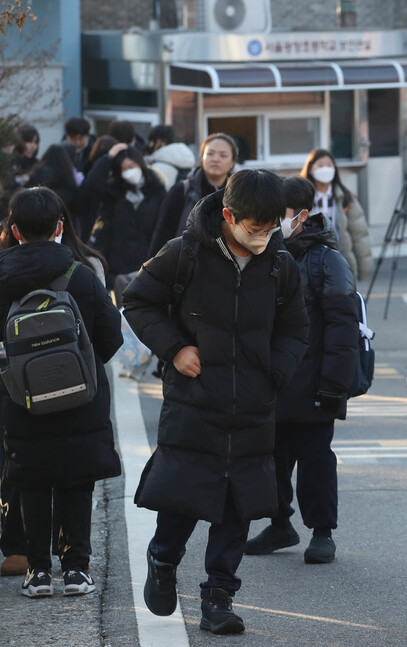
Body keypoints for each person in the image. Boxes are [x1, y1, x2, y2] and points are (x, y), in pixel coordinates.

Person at [122, 169, 309, 635]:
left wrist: (275, 375)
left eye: (271, 227)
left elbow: (296, 329)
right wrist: (174, 348)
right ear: (228, 215)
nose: (264, 236)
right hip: (194, 401)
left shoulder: (281, 263)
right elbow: (137, 300)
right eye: (255, 227)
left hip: (252, 405)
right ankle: (163, 561)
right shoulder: (183, 252)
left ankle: (218, 597)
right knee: (184, 494)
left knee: (238, 505)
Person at [0, 187, 123, 598]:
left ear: (14, 230)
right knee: (78, 478)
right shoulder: (80, 274)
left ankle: (37, 572)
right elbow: (111, 335)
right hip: (80, 397)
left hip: (21, 400)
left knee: (32, 479)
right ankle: (76, 570)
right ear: (59, 227)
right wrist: (84, 368)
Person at [245, 176, 359, 565]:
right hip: (271, 381)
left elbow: (343, 332)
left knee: (315, 461)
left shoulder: (328, 261)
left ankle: (322, 531)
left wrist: (333, 387)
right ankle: (280, 523)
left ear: (303, 216)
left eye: (281, 216)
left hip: (313, 384)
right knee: (270, 459)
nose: (272, 223)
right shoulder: (260, 253)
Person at [85, 143, 166, 301]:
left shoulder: (158, 191)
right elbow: (91, 186)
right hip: (118, 268)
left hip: (149, 266)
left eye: (131, 166)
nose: (128, 172)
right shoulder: (114, 194)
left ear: (140, 164)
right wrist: (108, 157)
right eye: (123, 169)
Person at [148, 132, 237, 257]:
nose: (215, 159)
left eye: (223, 155)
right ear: (202, 157)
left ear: (232, 161)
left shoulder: (238, 195)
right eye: (210, 154)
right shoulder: (182, 190)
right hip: (184, 265)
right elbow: (162, 235)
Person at [300, 148, 373, 280]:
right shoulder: (302, 197)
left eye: (329, 165)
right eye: (320, 165)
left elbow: (359, 234)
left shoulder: (345, 198)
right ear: (311, 169)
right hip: (310, 262)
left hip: (339, 260)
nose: (325, 169)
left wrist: (364, 267)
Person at [145, 125, 196, 191]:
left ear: (158, 142)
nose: (149, 145)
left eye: (150, 142)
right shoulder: (191, 165)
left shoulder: (156, 169)